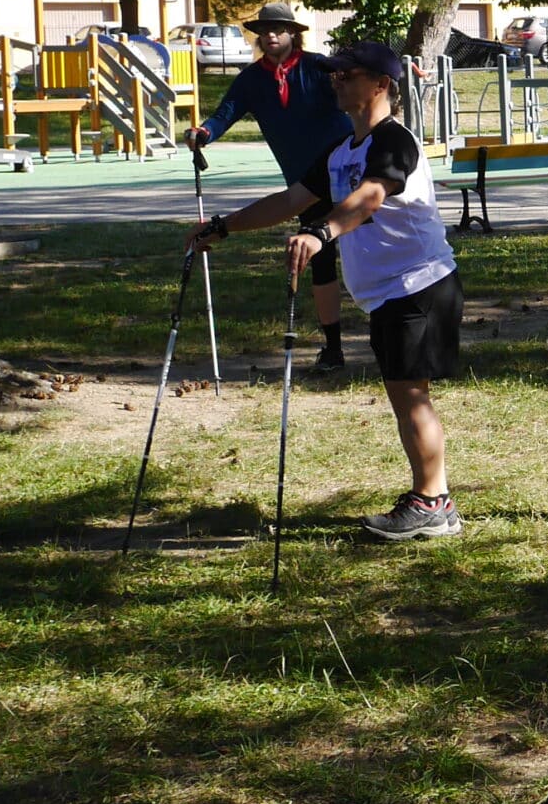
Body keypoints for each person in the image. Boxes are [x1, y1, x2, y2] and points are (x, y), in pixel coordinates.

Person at [186, 42, 465, 542]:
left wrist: (322, 231)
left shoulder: (395, 142)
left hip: (420, 284)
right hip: (388, 293)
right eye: (334, 74)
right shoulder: (341, 151)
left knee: (411, 394)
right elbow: (291, 198)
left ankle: (432, 501)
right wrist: (224, 228)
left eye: (347, 74)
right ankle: (435, 501)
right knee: (405, 395)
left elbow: (372, 196)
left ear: (380, 84)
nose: (335, 81)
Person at [185, 4, 356, 372]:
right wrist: (205, 133)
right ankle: (333, 347)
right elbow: (224, 113)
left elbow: (355, 84)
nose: (271, 35)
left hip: (347, 172)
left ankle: (392, 330)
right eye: (264, 30)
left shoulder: (317, 66)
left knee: (369, 252)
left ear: (294, 33)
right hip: (304, 184)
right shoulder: (251, 80)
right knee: (321, 262)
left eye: (279, 29)